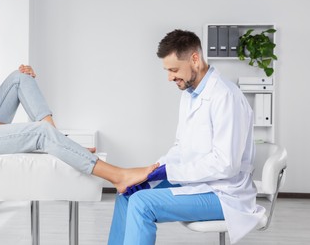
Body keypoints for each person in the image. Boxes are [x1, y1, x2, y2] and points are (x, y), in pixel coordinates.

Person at [0, 0, 158, 194]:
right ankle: (118, 176)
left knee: (20, 77)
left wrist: (23, 80)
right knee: (40, 133)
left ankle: (59, 143)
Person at [108, 29, 266, 245]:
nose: (170, 77)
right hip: (196, 183)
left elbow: (226, 164)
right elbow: (180, 147)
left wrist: (165, 172)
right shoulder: (190, 94)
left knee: (142, 203)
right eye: (167, 70)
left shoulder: (225, 97)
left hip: (224, 194)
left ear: (195, 59)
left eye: (174, 69)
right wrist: (151, 172)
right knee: (126, 194)